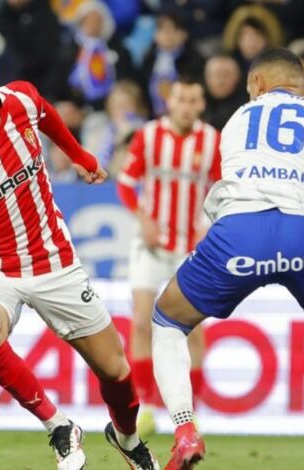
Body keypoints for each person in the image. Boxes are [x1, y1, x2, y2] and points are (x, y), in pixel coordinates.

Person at [0, 44, 159, 470]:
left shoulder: (21, 99)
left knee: (115, 371)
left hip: (52, 258)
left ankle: (127, 438)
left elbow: (47, 115)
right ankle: (59, 427)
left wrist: (80, 157)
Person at [151, 48, 304, 469]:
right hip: (301, 230)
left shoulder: (237, 119)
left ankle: (184, 431)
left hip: (240, 235)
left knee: (167, 321)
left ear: (256, 85)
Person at [116, 77, 221, 438]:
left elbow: (222, 191)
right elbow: (126, 182)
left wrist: (206, 226)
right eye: (181, 99)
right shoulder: (148, 136)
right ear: (170, 102)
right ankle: (144, 405)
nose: (187, 106)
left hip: (190, 248)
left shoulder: (212, 141)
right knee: (142, 322)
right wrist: (143, 219)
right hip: (151, 242)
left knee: (191, 327)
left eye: (193, 100)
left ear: (201, 104)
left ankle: (191, 413)